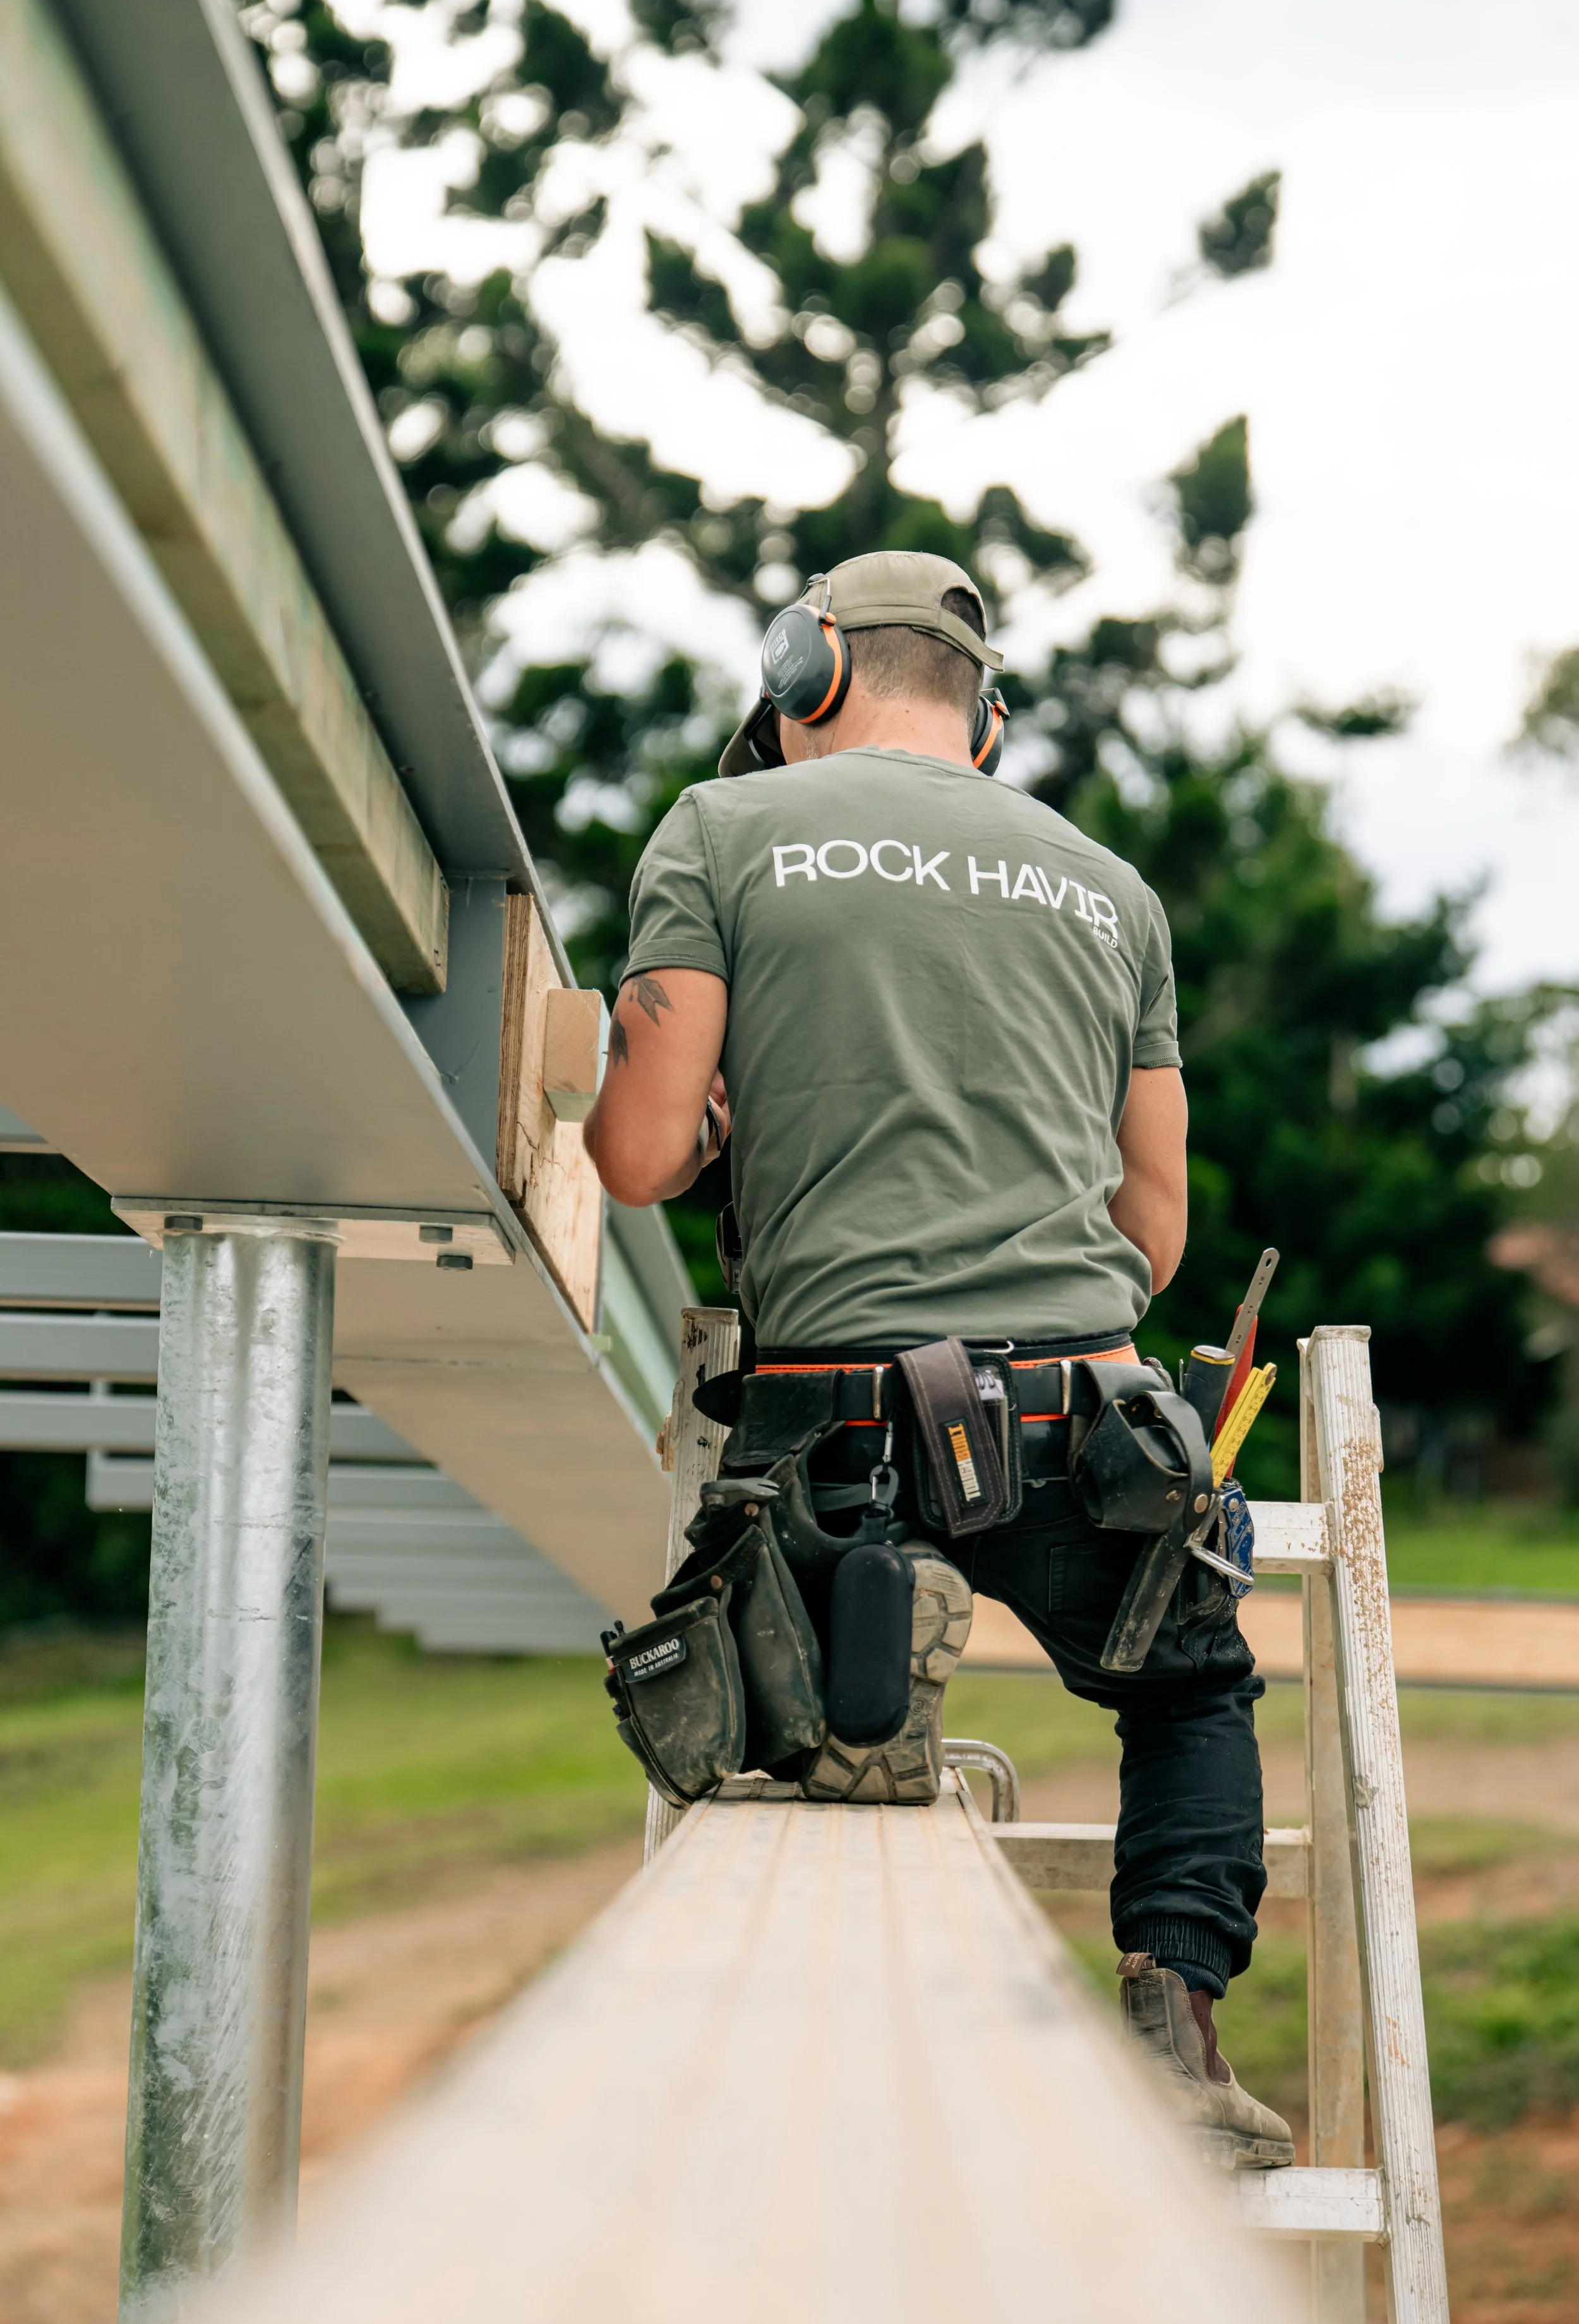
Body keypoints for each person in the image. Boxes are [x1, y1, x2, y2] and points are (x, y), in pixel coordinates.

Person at [584, 550, 1292, 2171]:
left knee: (807, 1704)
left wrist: (712, 1124)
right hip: (1080, 1419)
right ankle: (1174, 2024)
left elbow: (629, 1155)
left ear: (801, 672)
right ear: (986, 719)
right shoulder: (1110, 887)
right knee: (1188, 1685)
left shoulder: (720, 832)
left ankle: (863, 1663)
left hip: (831, 1426)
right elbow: (1153, 1229)